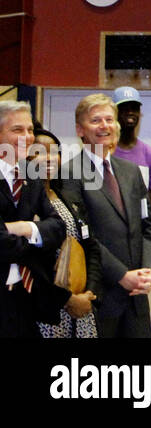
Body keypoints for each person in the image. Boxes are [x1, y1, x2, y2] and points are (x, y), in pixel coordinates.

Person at [61, 93, 151, 338]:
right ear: (80, 130)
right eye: (96, 121)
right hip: (100, 298)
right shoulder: (70, 173)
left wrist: (149, 270)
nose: (105, 126)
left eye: (109, 119)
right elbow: (82, 236)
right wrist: (122, 275)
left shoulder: (132, 172)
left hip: (137, 299)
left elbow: (148, 226)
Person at [0, 101, 65, 337]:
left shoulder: (31, 176)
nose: (27, 137)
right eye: (17, 130)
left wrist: (25, 228)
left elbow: (58, 228)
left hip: (24, 297)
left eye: (29, 130)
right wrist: (39, 239)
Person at [29, 129, 99, 338]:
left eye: (54, 152)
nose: (49, 158)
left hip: (82, 307)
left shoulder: (68, 198)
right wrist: (66, 299)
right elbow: (31, 262)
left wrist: (89, 293)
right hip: (47, 312)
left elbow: (91, 246)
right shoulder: (24, 205)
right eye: (39, 151)